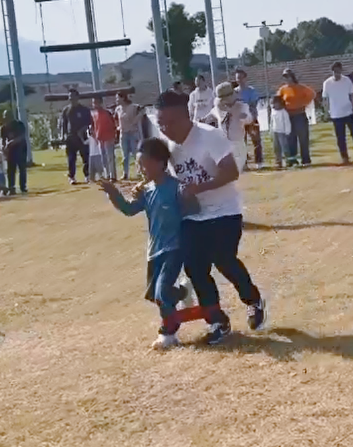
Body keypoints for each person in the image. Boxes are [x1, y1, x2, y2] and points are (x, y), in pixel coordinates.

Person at [153, 90, 266, 345]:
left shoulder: (209, 136)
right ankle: (217, 320)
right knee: (194, 267)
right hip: (193, 216)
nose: (166, 128)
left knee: (224, 260)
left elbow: (231, 172)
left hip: (225, 212)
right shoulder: (166, 145)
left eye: (171, 122)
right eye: (160, 123)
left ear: (186, 117)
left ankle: (253, 300)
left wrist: (199, 188)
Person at [96, 138, 197, 350]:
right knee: (155, 295)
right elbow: (129, 209)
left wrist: (189, 198)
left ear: (160, 163)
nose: (140, 169)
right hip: (154, 250)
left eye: (144, 164)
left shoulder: (175, 187)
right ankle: (182, 293)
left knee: (161, 293)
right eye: (139, 164)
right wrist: (113, 193)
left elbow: (194, 210)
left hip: (174, 248)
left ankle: (167, 333)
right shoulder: (146, 190)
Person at [321, 61, 353, 164]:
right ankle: (344, 157)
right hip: (336, 114)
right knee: (340, 138)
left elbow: (352, 95)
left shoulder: (347, 80)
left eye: (338, 71)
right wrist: (326, 112)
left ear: (341, 71)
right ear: (332, 71)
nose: (337, 73)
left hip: (348, 112)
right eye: (335, 71)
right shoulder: (327, 83)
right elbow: (325, 99)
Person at [276, 68, 315, 166]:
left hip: (300, 115)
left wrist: (304, 103)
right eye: (285, 77)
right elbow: (277, 100)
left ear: (292, 76)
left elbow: (312, 94)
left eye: (288, 76)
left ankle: (306, 160)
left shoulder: (300, 87)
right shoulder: (283, 89)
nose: (287, 78)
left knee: (303, 138)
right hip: (288, 116)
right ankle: (293, 160)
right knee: (290, 138)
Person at [214, 81, 252, 171]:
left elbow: (249, 119)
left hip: (237, 143)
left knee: (236, 170)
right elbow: (217, 106)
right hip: (223, 143)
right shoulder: (219, 107)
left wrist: (244, 117)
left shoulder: (242, 106)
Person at [59, 91, 93, 185]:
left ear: (77, 97)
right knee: (71, 158)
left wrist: (82, 130)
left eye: (72, 96)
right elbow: (63, 124)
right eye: (69, 96)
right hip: (70, 138)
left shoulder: (84, 110)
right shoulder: (66, 110)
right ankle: (72, 177)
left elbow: (89, 123)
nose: (71, 98)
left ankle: (87, 175)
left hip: (82, 137)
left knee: (85, 157)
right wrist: (62, 135)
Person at [233, 68, 263, 166]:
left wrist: (246, 109)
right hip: (239, 121)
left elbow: (253, 104)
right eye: (237, 78)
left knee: (256, 141)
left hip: (251, 119)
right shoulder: (234, 92)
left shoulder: (251, 90)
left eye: (241, 77)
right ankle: (244, 163)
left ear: (245, 78)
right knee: (241, 143)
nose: (239, 80)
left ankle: (259, 162)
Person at [116, 91, 145, 180]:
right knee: (125, 155)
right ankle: (125, 173)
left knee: (135, 154)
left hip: (133, 133)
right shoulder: (118, 109)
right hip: (123, 134)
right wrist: (118, 127)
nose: (116, 100)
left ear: (123, 98)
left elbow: (143, 110)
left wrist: (135, 120)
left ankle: (140, 172)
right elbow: (116, 119)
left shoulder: (133, 107)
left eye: (118, 98)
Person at [0, 112, 28, 195]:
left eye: (7, 117)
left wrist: (11, 142)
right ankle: (11, 187)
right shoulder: (4, 128)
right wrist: (3, 147)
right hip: (11, 150)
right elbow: (2, 139)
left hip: (21, 149)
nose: (6, 119)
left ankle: (23, 187)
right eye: (5, 117)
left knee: (22, 168)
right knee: (11, 169)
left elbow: (21, 137)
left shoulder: (19, 125)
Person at [91, 96, 118, 181]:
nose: (94, 105)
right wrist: (95, 135)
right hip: (100, 138)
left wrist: (113, 135)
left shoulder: (106, 113)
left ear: (101, 103)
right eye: (93, 103)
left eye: (96, 103)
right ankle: (107, 174)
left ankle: (113, 175)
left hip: (108, 137)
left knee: (110, 157)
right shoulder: (94, 114)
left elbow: (112, 124)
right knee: (103, 158)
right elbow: (95, 126)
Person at [268, 95, 292, 168]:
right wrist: (271, 131)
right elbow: (271, 122)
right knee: (276, 148)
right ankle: (278, 162)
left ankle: (288, 161)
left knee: (284, 147)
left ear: (279, 103)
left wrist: (287, 131)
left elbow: (287, 122)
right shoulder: (273, 112)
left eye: (274, 103)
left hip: (282, 132)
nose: (273, 105)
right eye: (272, 104)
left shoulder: (283, 112)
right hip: (275, 131)